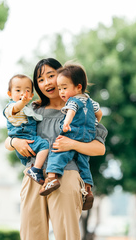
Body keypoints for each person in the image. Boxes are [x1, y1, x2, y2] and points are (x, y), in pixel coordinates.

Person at [5, 58, 107, 240]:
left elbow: (99, 148)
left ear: (63, 75)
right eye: (40, 80)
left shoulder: (84, 109)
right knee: (31, 234)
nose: (47, 83)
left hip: (66, 176)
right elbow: (10, 138)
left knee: (67, 234)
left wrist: (72, 144)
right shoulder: (32, 110)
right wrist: (15, 143)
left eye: (51, 76)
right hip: (33, 177)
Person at [39, 63, 103, 212]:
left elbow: (71, 112)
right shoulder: (90, 101)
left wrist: (66, 124)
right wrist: (94, 123)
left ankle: (52, 178)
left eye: (64, 88)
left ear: (78, 87)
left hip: (72, 133)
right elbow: (99, 114)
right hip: (87, 136)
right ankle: (87, 190)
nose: (61, 91)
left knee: (57, 152)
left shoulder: (73, 101)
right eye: (59, 88)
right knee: (83, 164)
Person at [3, 74, 49, 185]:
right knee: (44, 145)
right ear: (10, 94)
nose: (23, 94)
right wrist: (22, 102)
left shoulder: (30, 108)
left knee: (28, 162)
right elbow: (16, 108)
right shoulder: (11, 107)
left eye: (27, 90)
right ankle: (36, 170)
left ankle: (32, 169)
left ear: (32, 95)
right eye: (18, 90)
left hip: (27, 145)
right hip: (26, 139)